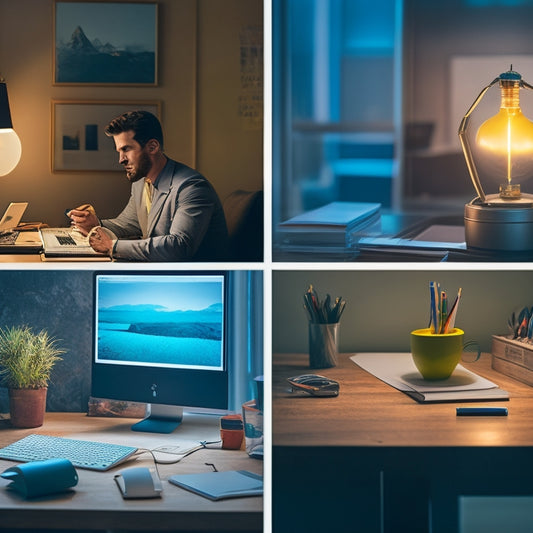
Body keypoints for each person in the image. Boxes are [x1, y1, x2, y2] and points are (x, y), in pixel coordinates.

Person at [68, 110, 229, 261]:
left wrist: (112, 246)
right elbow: (127, 224)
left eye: (126, 149)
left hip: (196, 280)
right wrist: (96, 224)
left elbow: (179, 247)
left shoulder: (192, 187)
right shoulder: (141, 183)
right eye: (119, 151)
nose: (121, 159)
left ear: (153, 147)